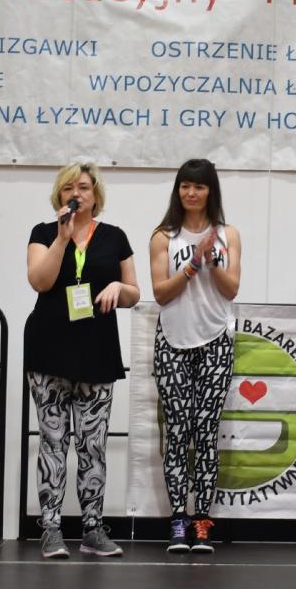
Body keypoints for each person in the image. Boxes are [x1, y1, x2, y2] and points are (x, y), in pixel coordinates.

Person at [25, 162, 138, 559]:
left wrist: (118, 286)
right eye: (69, 187)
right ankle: (51, 528)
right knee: (53, 442)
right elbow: (40, 281)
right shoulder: (43, 233)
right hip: (49, 349)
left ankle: (92, 528)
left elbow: (134, 294)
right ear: (59, 195)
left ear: (96, 194)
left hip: (96, 351)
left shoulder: (115, 236)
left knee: (93, 445)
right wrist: (62, 238)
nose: (76, 193)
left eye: (84, 187)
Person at [149, 159, 240, 554]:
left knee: (205, 432)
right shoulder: (163, 236)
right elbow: (160, 293)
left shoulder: (228, 234)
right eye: (185, 185)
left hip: (216, 340)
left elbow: (231, 289)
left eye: (199, 186)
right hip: (172, 341)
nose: (191, 192)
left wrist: (212, 260)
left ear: (210, 191)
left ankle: (202, 520)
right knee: (177, 432)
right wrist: (191, 265)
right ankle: (177, 520)